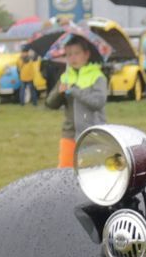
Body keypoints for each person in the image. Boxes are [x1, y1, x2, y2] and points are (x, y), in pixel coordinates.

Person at [46, 35, 109, 168]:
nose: (72, 58)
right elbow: (51, 103)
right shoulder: (66, 77)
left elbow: (98, 102)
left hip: (92, 134)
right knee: (65, 172)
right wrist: (59, 91)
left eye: (76, 53)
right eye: (68, 54)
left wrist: (74, 89)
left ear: (86, 54)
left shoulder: (97, 77)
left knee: (91, 172)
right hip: (69, 134)